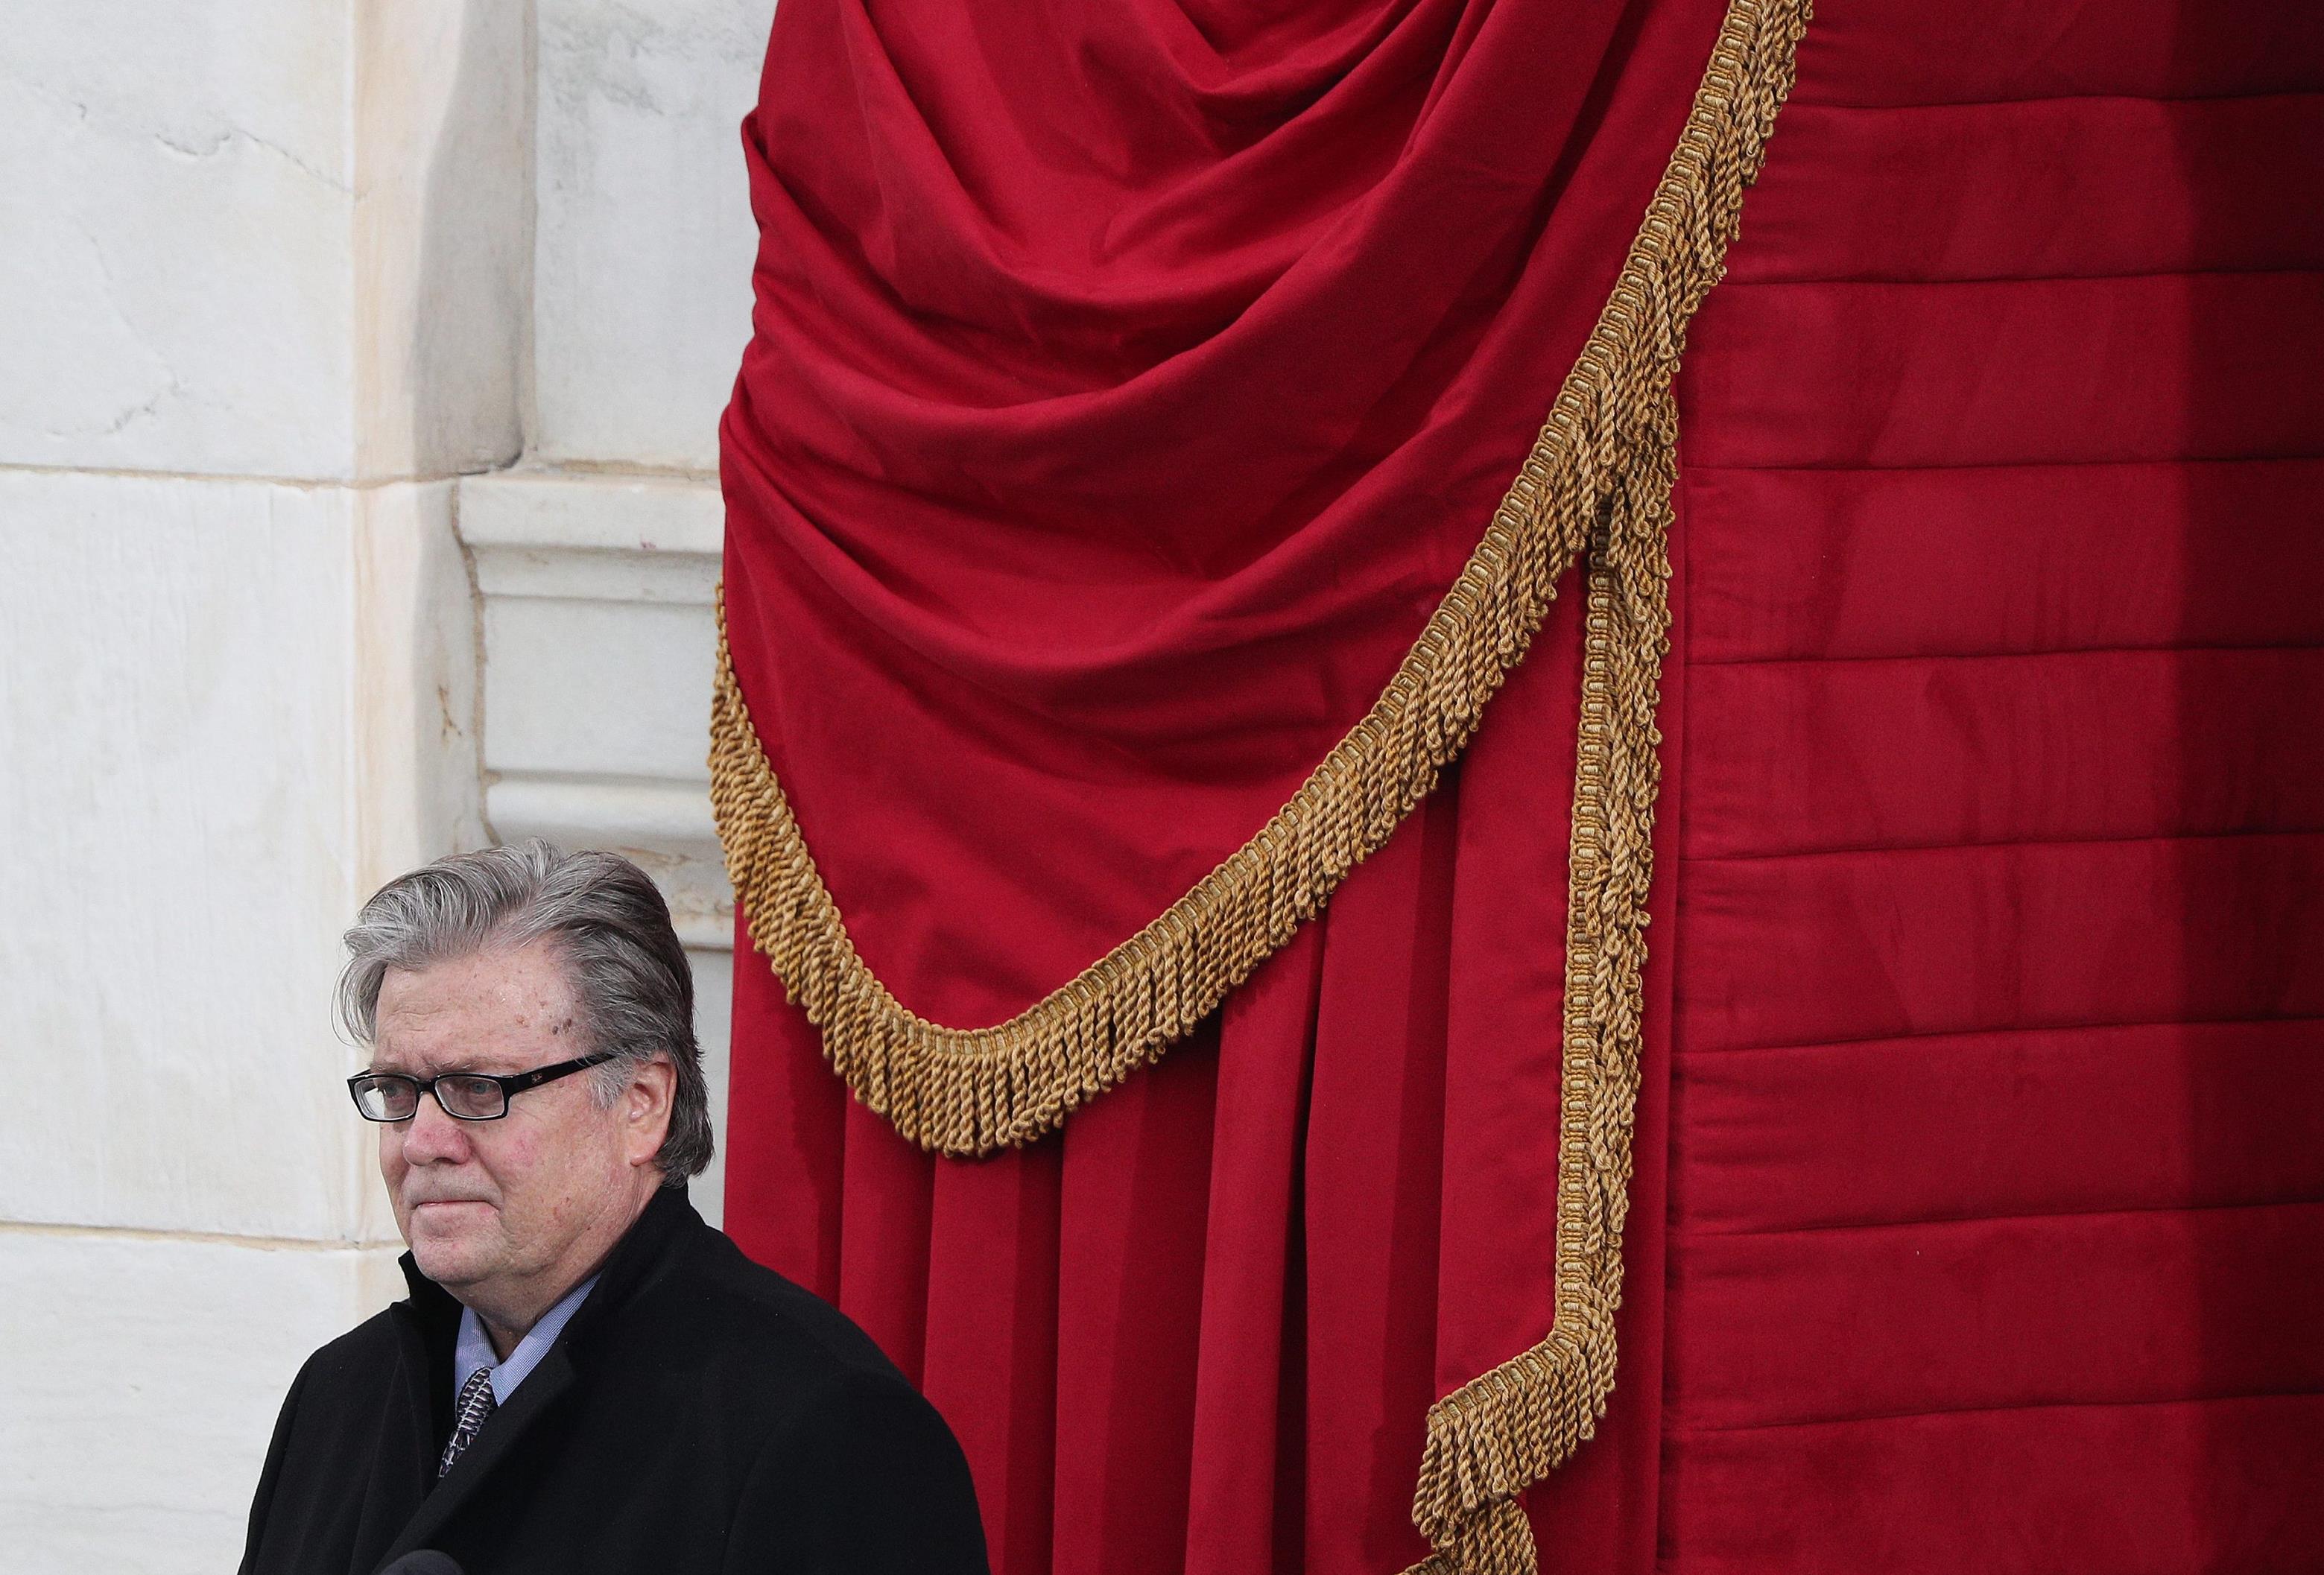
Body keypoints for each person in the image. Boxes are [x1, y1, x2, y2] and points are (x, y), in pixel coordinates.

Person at [239, 840, 988, 1574]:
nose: (423, 1140)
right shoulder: (339, 1394)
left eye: (479, 1089)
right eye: (399, 1091)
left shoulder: (823, 1430)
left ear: (641, 1104)